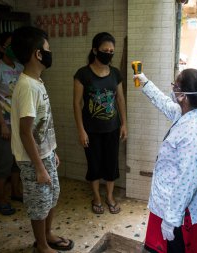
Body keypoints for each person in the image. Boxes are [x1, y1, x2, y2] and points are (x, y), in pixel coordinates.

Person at [135, 69, 197, 253]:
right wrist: (145, 83)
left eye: (175, 86)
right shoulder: (187, 114)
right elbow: (164, 103)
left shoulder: (193, 132)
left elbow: (187, 182)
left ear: (182, 96)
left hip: (179, 212)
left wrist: (171, 220)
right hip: (170, 203)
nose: (172, 89)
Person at [10, 26, 74, 252]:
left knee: (51, 196)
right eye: (47, 49)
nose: (49, 53)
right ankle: (42, 245)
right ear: (38, 54)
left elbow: (41, 126)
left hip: (44, 154)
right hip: (31, 160)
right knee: (39, 203)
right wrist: (39, 167)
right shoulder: (27, 86)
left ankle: (47, 234)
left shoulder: (36, 82)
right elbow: (25, 132)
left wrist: (51, 151)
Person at [73, 32, 127, 215]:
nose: (109, 54)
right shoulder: (83, 74)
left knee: (111, 164)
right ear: (95, 50)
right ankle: (96, 197)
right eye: (105, 50)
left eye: (112, 51)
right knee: (94, 164)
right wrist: (81, 130)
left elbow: (120, 99)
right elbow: (76, 103)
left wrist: (124, 124)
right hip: (91, 130)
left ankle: (109, 196)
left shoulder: (115, 73)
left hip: (112, 128)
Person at [0, 31, 24, 215]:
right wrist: (2, 123)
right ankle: (0, 199)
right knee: (5, 161)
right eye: (10, 44)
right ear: (2, 48)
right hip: (0, 122)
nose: (13, 48)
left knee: (17, 160)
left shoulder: (20, 66)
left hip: (17, 122)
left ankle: (16, 192)